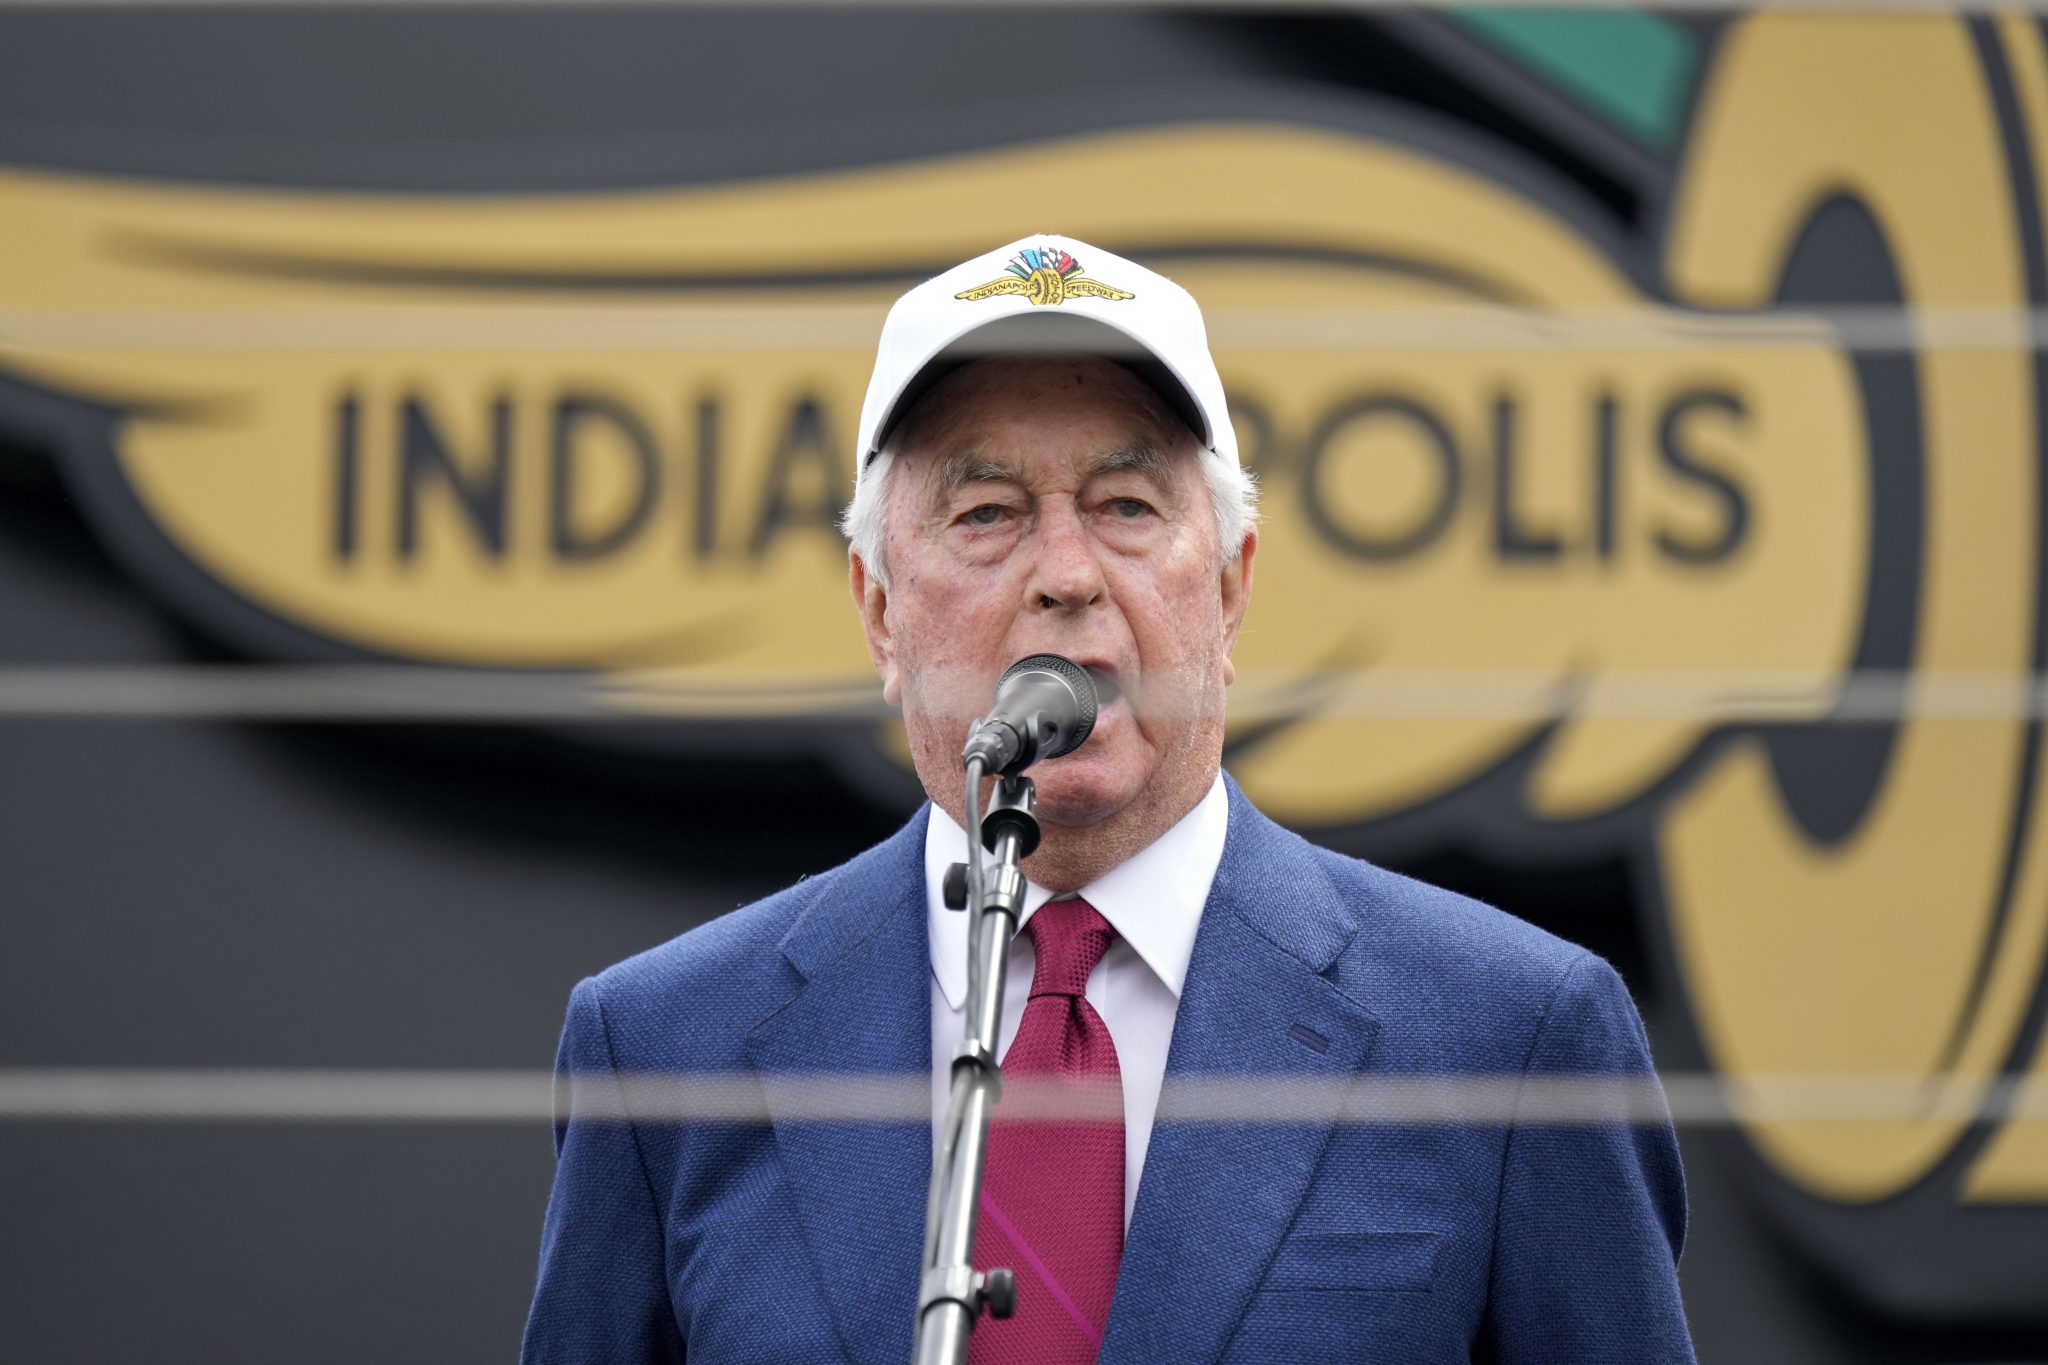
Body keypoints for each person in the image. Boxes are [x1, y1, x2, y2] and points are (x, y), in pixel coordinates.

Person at [520, 235, 1694, 1364]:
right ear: (879, 610)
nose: (1067, 576)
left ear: (1230, 591)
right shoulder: (666, 1051)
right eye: (986, 515)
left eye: (1125, 506)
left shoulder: (1512, 1039)